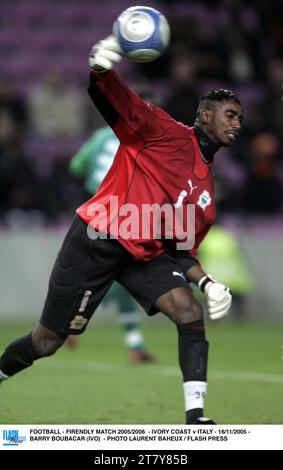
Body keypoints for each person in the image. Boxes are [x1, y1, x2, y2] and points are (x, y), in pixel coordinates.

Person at [0, 36, 243, 424]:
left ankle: (196, 419)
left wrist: (208, 283)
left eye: (240, 118)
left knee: (187, 310)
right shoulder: (163, 131)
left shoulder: (206, 197)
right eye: (230, 114)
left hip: (143, 255)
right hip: (98, 239)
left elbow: (180, 249)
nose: (237, 123)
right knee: (47, 342)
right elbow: (116, 99)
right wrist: (100, 68)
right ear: (205, 116)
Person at [66, 126, 156, 363]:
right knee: (116, 277)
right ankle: (70, 318)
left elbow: (76, 166)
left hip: (96, 213)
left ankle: (135, 345)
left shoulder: (99, 136)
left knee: (118, 280)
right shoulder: (143, 136)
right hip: (126, 214)